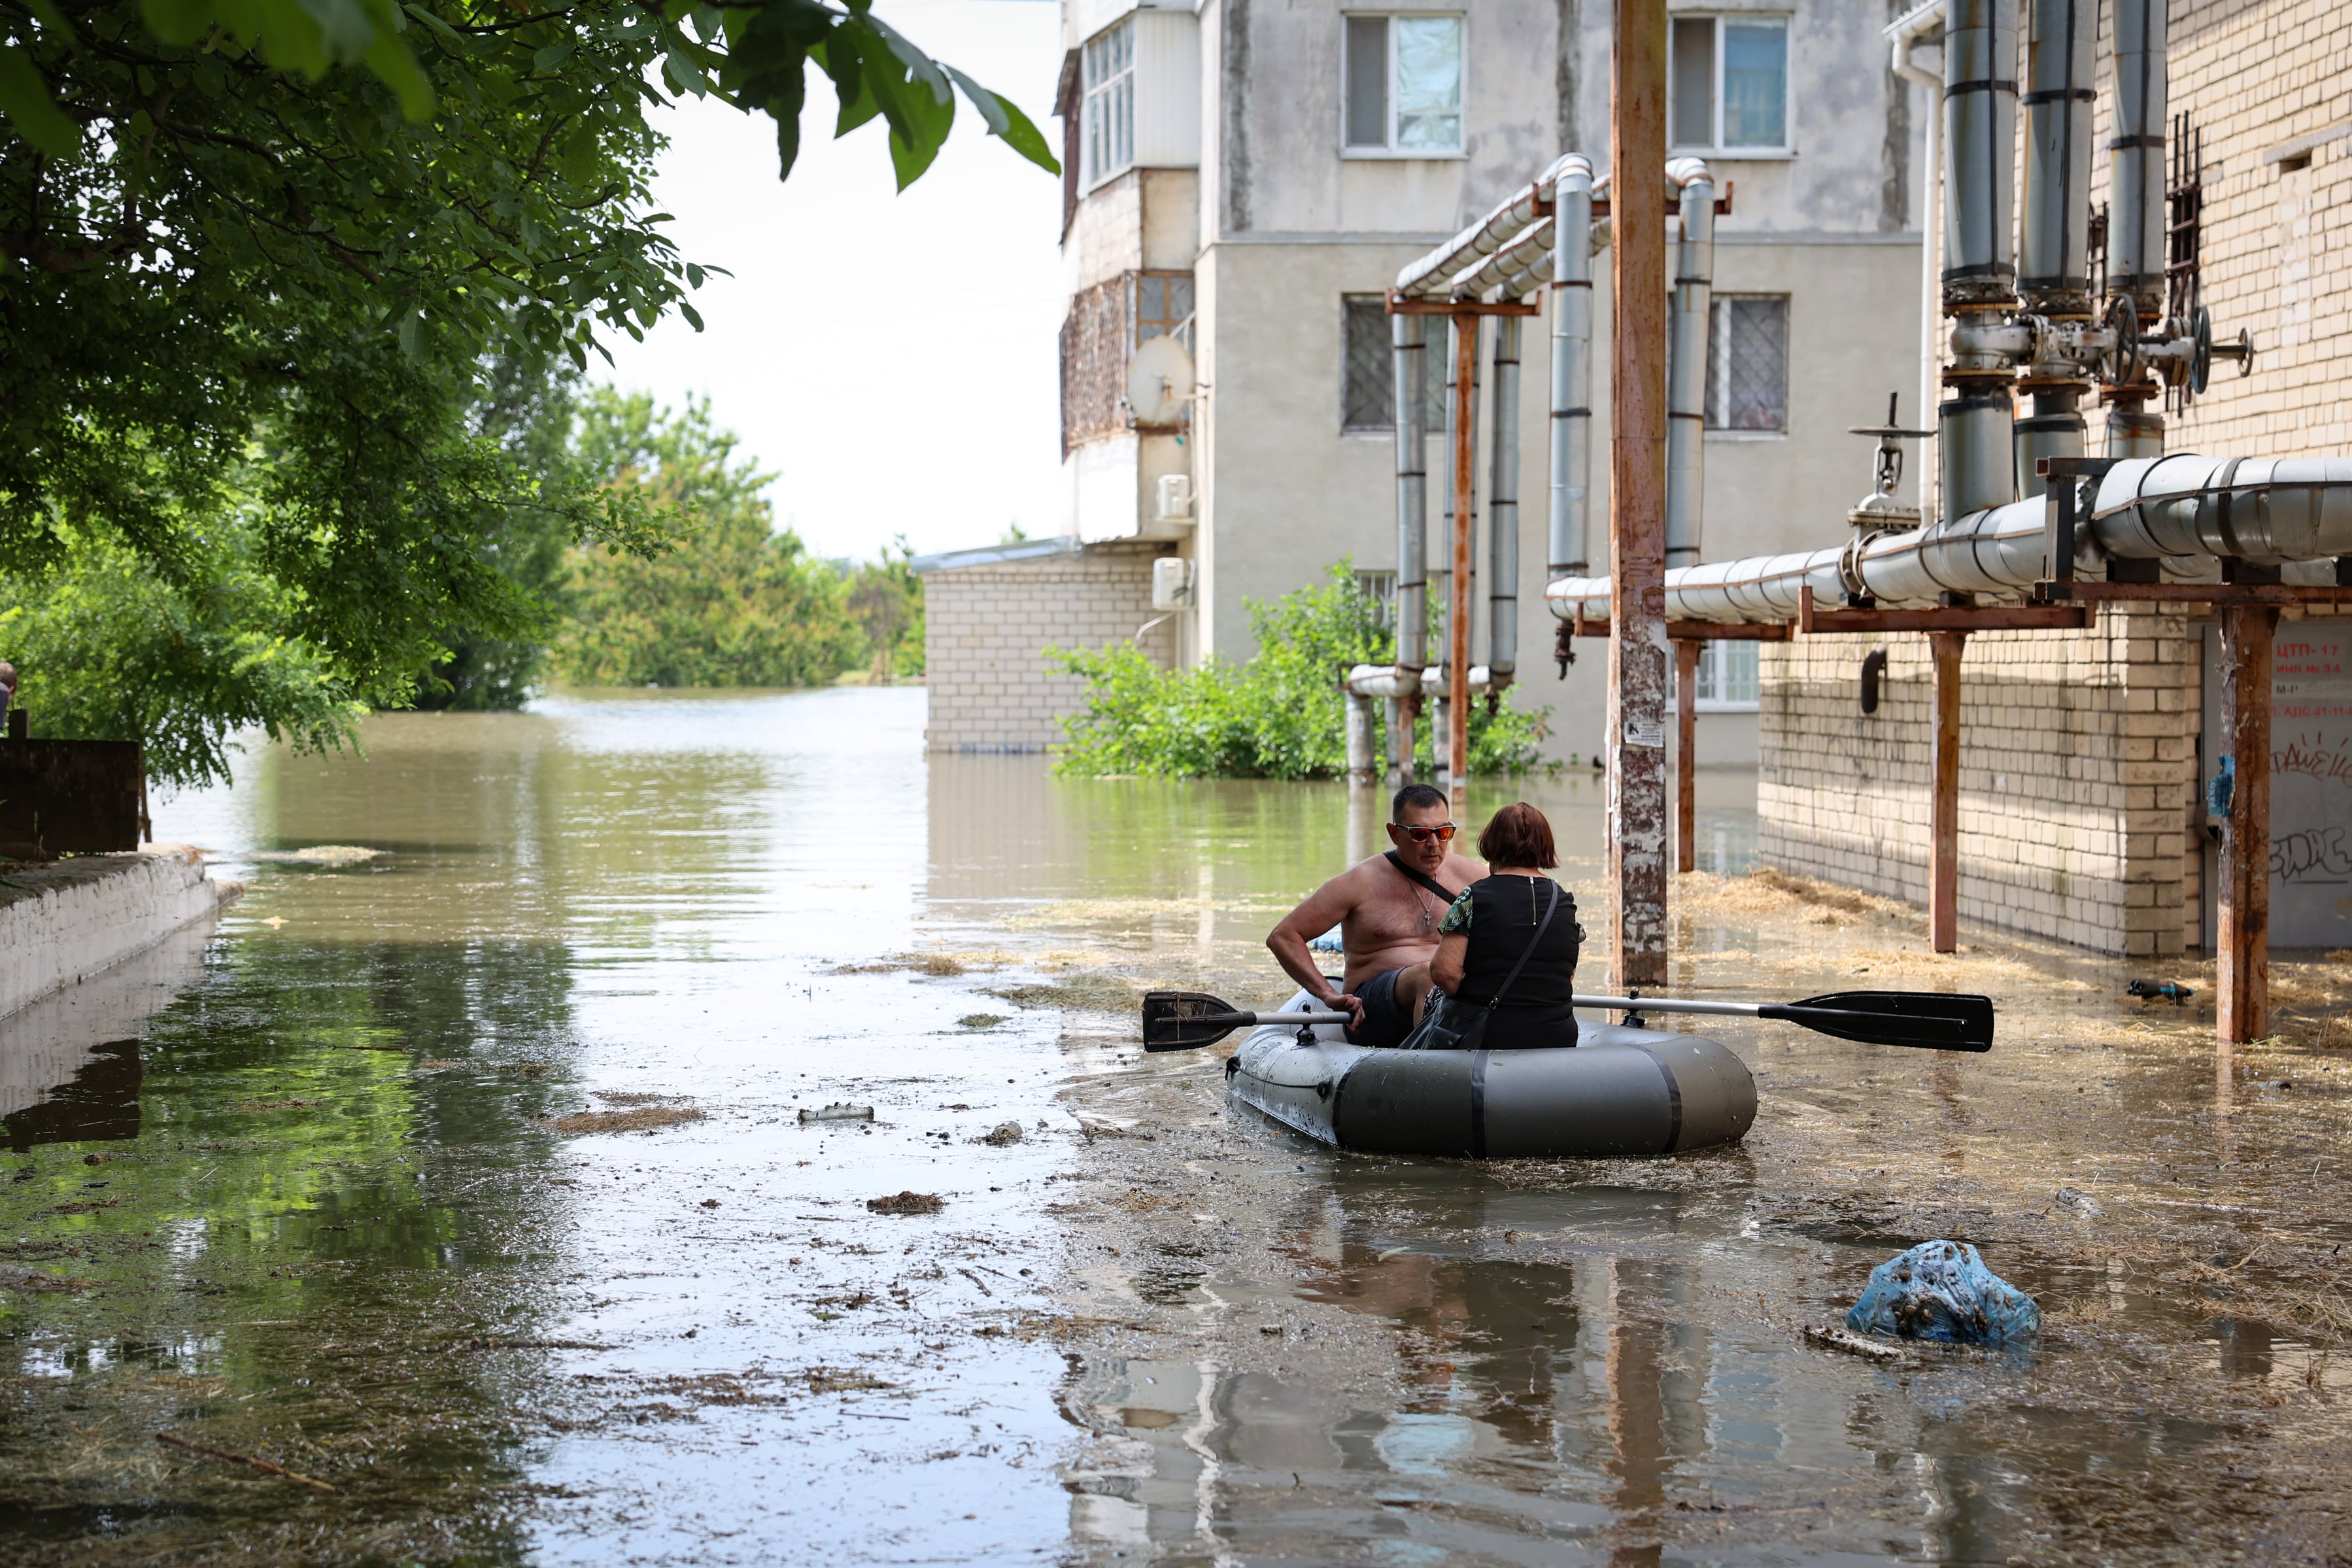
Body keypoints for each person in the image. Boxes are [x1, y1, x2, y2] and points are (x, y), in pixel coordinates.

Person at [1266, 783, 1486, 1048]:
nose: (1433, 844)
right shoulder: (1360, 883)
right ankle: (1429, 1071)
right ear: (1394, 833)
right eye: (1420, 834)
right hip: (1372, 1008)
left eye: (1443, 833)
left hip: (1451, 997)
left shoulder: (1474, 877)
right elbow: (1284, 936)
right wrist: (1327, 994)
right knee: (1430, 974)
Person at [1427, 802, 1581, 1050]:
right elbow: (1567, 973)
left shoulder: (1473, 897)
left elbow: (1446, 974)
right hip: (1557, 1037)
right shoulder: (1563, 901)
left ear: (1492, 843)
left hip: (1489, 1036)